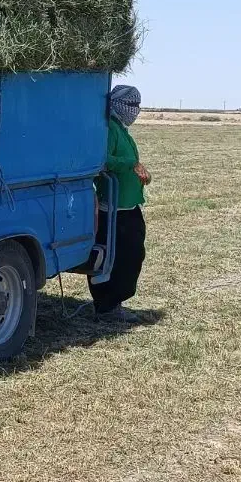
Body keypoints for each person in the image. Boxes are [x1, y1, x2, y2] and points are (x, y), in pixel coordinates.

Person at [89, 84, 150, 321]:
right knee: (120, 257)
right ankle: (107, 306)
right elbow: (103, 160)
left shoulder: (120, 129)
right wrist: (130, 165)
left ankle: (113, 304)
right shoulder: (110, 130)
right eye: (132, 105)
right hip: (114, 209)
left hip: (128, 205)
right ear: (118, 105)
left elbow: (133, 162)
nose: (136, 110)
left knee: (132, 255)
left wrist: (140, 171)